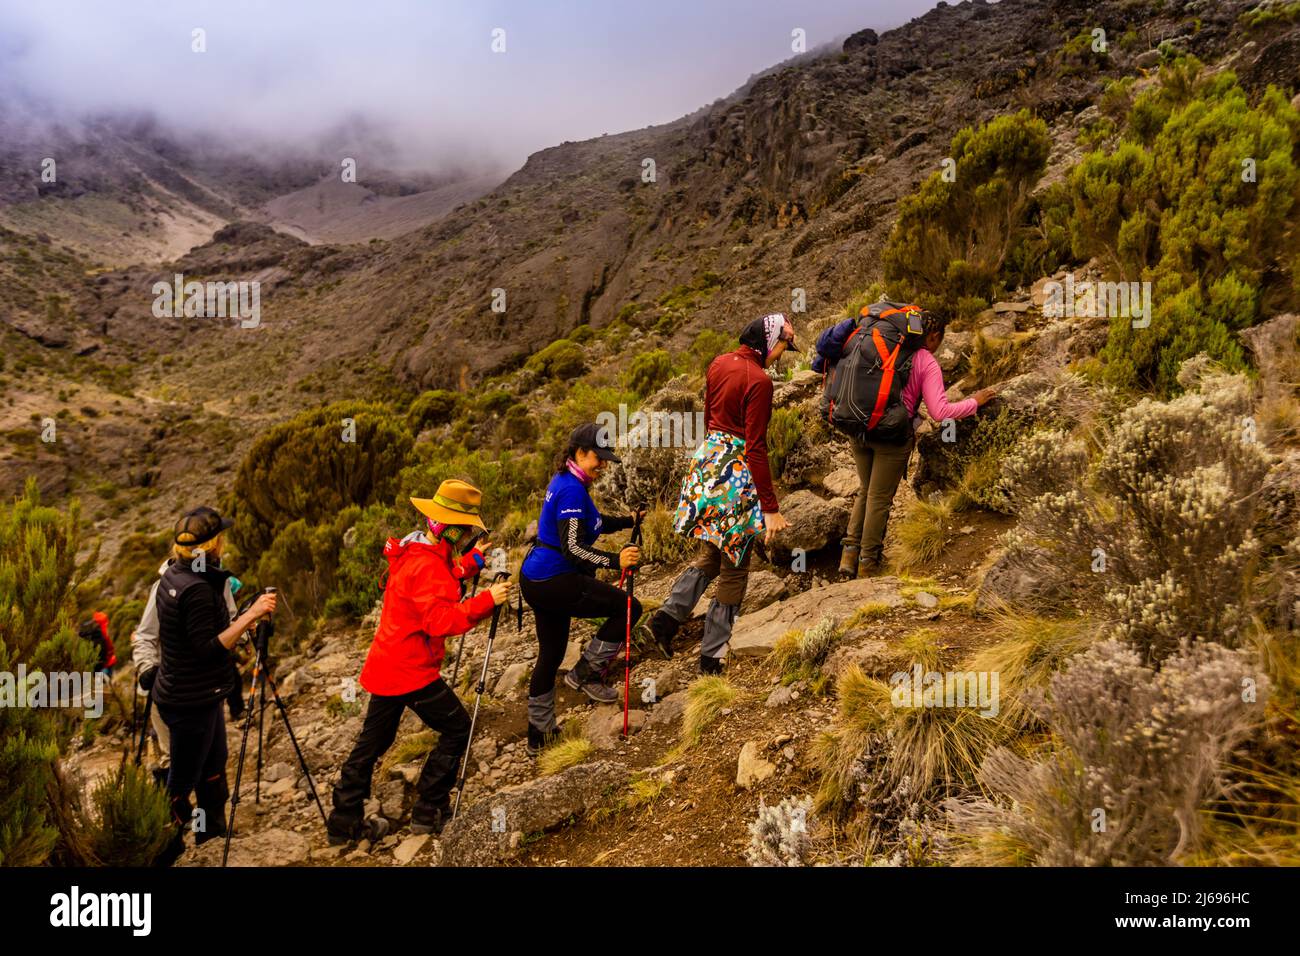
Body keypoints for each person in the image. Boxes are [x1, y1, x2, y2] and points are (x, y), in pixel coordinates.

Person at [327, 480, 512, 842]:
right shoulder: (427, 566)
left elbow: (437, 581)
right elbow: (440, 620)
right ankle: (428, 810)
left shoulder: (413, 549)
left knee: (372, 743)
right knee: (458, 728)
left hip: (387, 664)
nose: (465, 537)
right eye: (465, 531)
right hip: (411, 672)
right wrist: (487, 599)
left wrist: (468, 565)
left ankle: (343, 821)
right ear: (453, 529)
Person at [647, 312, 795, 673]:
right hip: (736, 473)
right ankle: (711, 658)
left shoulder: (718, 363)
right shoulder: (760, 381)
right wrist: (770, 507)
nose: (782, 354)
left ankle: (663, 623)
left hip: (707, 465)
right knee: (736, 566)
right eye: (783, 346)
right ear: (768, 342)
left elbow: (710, 413)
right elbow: (755, 447)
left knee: (712, 552)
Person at [815, 305, 997, 579]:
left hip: (858, 428)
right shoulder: (926, 361)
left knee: (866, 490)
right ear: (933, 336)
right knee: (879, 498)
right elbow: (940, 412)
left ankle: (849, 556)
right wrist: (974, 402)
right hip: (891, 436)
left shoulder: (885, 344)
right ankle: (869, 564)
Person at [152, 506, 277, 861]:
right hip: (190, 700)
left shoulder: (174, 575)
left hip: (192, 693)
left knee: (213, 762)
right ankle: (165, 849)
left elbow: (200, 635)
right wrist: (251, 615)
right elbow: (208, 648)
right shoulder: (197, 589)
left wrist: (239, 623)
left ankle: (210, 832)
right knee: (182, 780)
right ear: (212, 545)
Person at [519, 423, 643, 755]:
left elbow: (593, 521)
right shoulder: (572, 490)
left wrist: (628, 520)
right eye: (598, 458)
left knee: (550, 654)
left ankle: (539, 737)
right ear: (579, 453)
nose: (602, 465)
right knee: (628, 608)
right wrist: (617, 560)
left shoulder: (568, 481)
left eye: (605, 459)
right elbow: (573, 547)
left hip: (536, 578)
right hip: (554, 579)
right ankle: (586, 675)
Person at [134, 559, 246, 784]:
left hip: (206, 689)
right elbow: (145, 635)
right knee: (172, 755)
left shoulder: (218, 582)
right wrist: (147, 668)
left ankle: (205, 811)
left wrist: (244, 629)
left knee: (211, 761)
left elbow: (231, 623)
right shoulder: (164, 587)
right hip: (166, 686)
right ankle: (173, 811)